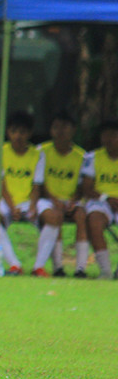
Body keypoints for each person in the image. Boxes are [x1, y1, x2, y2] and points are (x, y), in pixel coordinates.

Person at [0, 111, 52, 276]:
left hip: (29, 200)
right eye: (14, 131)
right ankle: (14, 265)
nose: (18, 136)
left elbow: (36, 186)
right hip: (7, 200)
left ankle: (39, 266)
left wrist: (32, 207)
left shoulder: (38, 154)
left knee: (54, 216)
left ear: (29, 133)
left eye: (22, 132)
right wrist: (12, 207)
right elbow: (1, 185)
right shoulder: (0, 151)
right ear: (8, 132)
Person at [37, 111, 87, 277]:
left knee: (81, 215)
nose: (60, 131)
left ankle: (80, 268)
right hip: (48, 200)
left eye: (65, 127)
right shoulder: (41, 152)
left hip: (71, 200)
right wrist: (54, 200)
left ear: (73, 130)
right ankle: (58, 267)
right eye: (56, 127)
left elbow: (82, 186)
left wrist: (73, 201)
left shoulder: (82, 156)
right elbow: (39, 183)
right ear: (51, 130)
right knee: (56, 215)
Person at [79, 118, 118, 280]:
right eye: (105, 135)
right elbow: (87, 188)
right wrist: (107, 197)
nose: (108, 139)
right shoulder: (93, 157)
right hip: (101, 201)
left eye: (113, 135)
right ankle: (106, 271)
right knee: (94, 220)